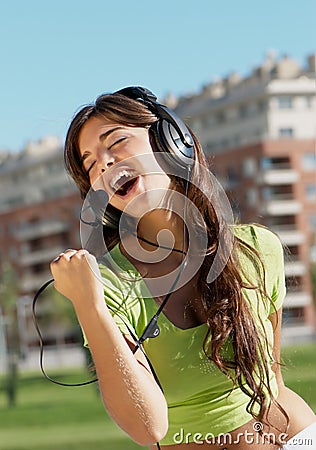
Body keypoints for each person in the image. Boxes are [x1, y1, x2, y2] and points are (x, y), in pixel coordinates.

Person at [50, 87, 315, 449]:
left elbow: (272, 383)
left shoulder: (257, 249)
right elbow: (148, 428)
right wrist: (89, 304)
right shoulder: (108, 287)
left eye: (117, 143)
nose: (106, 163)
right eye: (91, 164)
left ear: (172, 142)